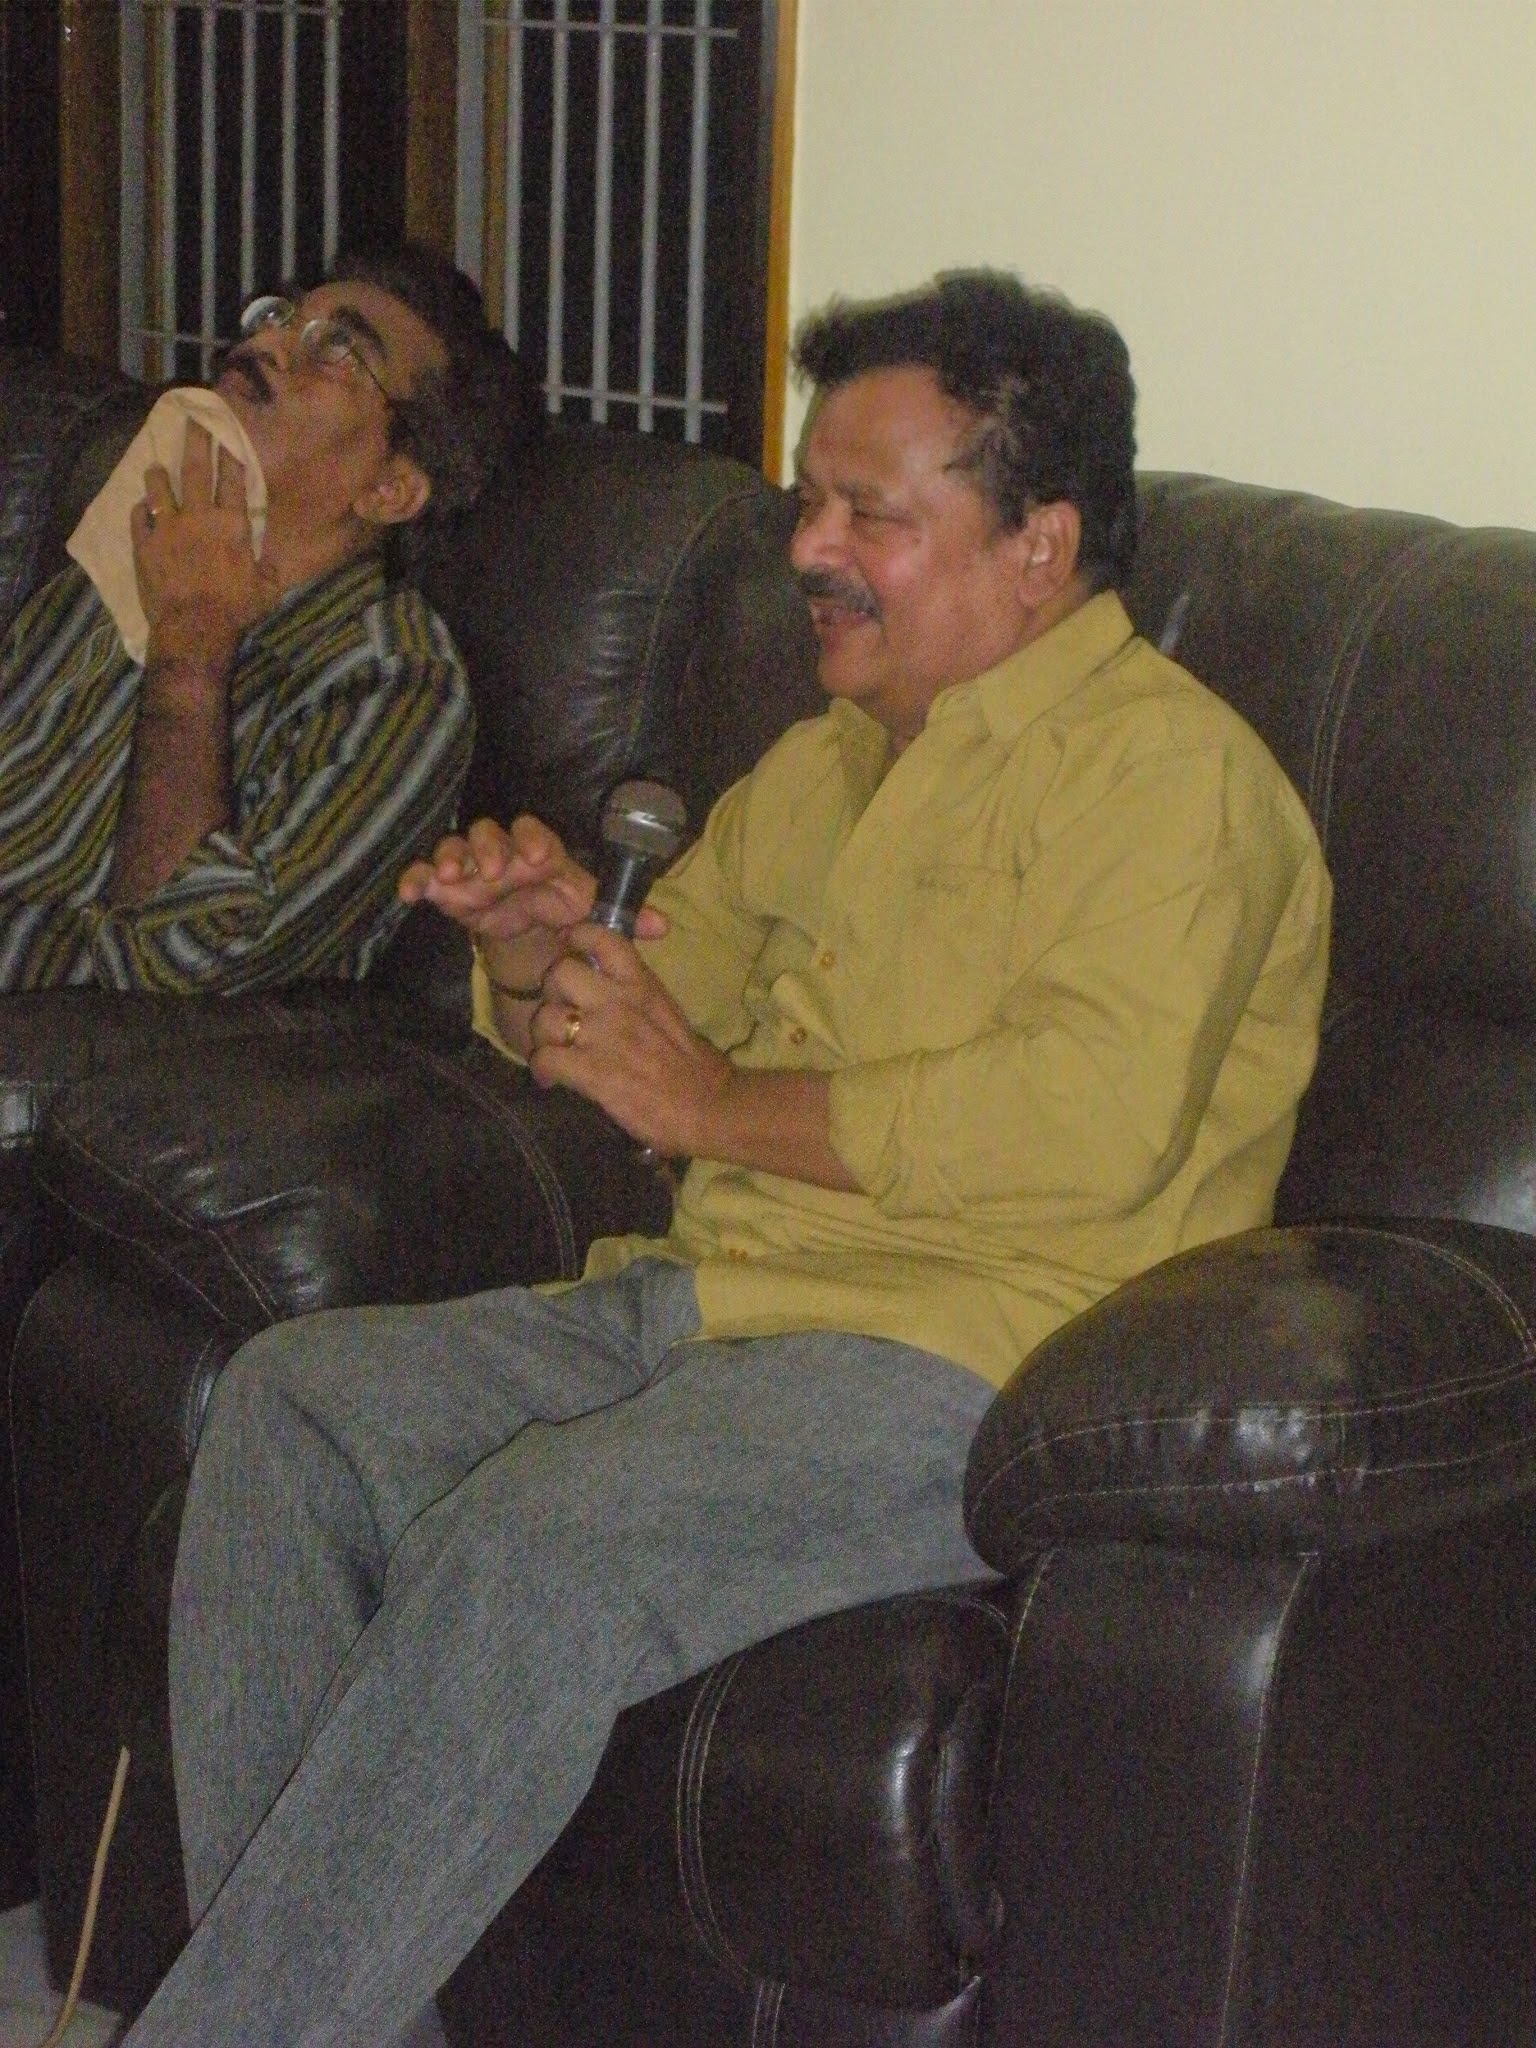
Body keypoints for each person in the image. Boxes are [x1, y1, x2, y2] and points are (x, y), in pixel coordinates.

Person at [121, 270, 1330, 2044]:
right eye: (809, 501)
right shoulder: (831, 762)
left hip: (971, 1360)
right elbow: (648, 1012)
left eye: (869, 514)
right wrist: (543, 951)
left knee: (540, 1537)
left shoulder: (1174, 784)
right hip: (706, 1304)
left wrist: (707, 1103)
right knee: (294, 1406)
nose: (810, 550)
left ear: (1040, 543)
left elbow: (1088, 1120)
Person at [0, 244, 539, 990]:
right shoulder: (130, 551)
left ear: (390, 488)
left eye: (337, 349)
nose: (266, 343)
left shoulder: (392, 679)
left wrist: (191, 644)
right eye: (279, 317)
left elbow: (179, 960)